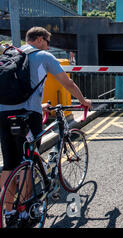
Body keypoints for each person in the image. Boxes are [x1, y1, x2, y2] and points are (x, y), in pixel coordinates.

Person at [0, 27, 92, 191]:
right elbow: (68, 84)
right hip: (26, 116)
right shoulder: (44, 56)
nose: (48, 47)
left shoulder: (11, 55)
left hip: (3, 114)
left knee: (9, 164)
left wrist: (40, 105)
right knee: (27, 162)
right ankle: (26, 211)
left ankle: (9, 211)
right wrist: (83, 100)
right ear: (40, 39)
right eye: (48, 43)